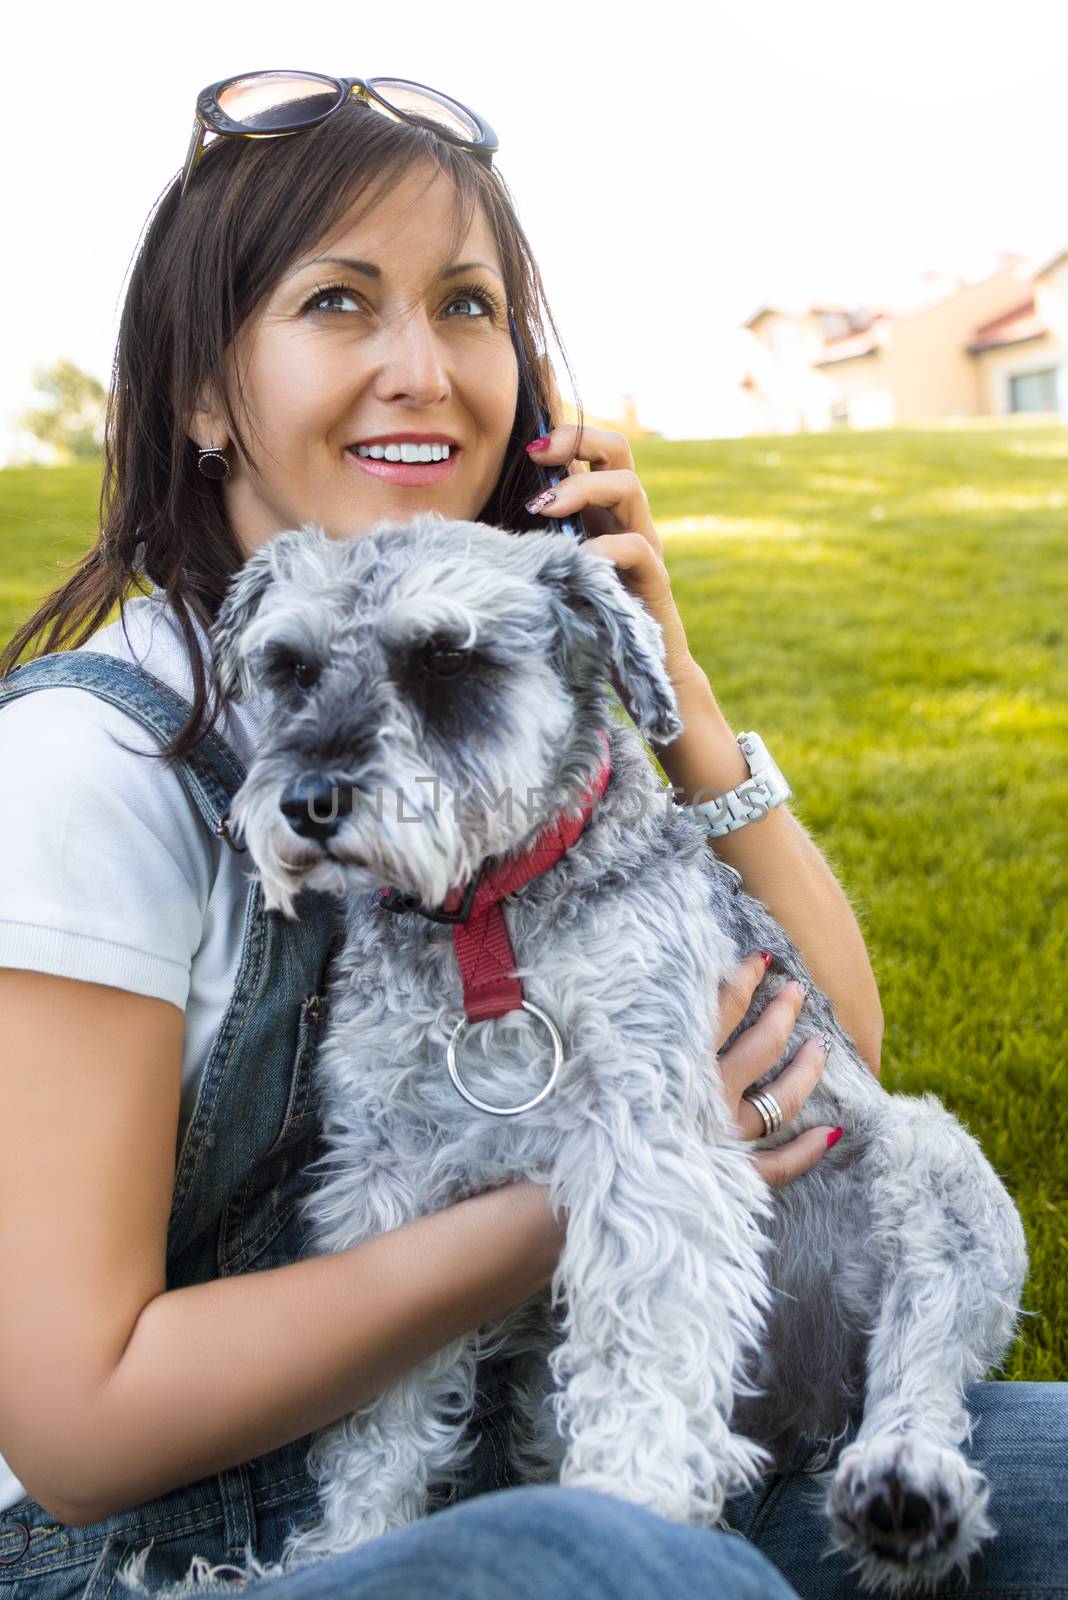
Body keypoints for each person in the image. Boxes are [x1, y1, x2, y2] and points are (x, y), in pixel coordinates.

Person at [0, 72, 1062, 1600]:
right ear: (203, 392)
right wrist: (585, 1187)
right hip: (168, 1545)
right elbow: (79, 1429)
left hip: (538, 1426)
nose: (422, 367)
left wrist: (663, 675)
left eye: (469, 305)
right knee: (629, 1567)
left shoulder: (527, 681)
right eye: (339, 302)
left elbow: (829, 1072)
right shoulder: (87, 767)